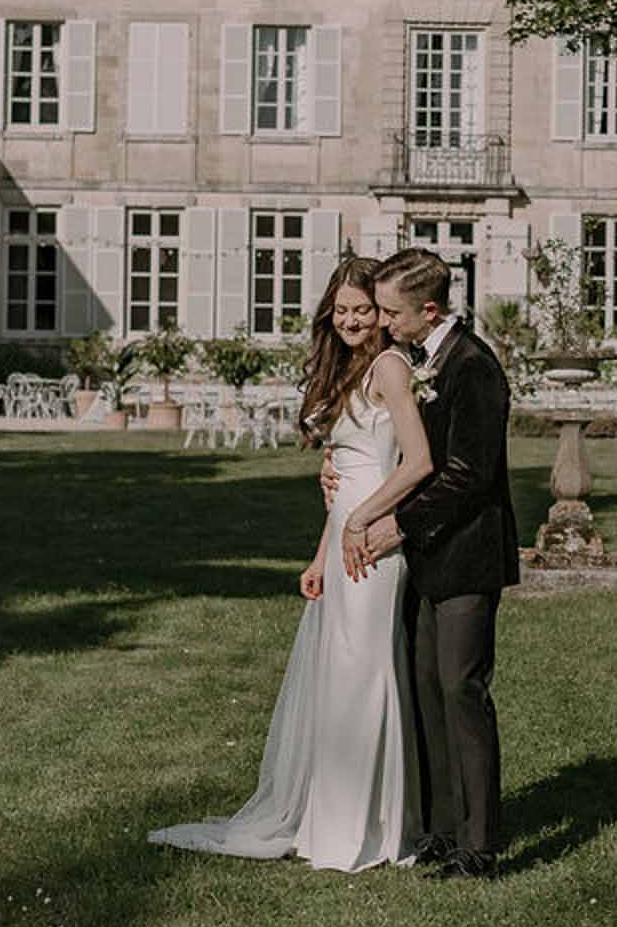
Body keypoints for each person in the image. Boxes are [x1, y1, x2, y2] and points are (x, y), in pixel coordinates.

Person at [148, 257, 434, 872]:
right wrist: (320, 553)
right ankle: (326, 819)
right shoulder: (350, 372)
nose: (354, 320)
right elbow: (347, 474)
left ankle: (365, 830)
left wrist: (361, 524)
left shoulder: (389, 367)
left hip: (375, 543)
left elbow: (416, 462)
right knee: (338, 680)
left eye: (364, 310)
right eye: (343, 310)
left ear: (382, 315)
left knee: (364, 677)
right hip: (342, 541)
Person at [341, 247, 518, 880]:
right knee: (427, 692)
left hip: (468, 555)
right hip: (427, 558)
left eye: (391, 312)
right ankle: (442, 829)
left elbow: (469, 477)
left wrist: (397, 525)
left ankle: (480, 846)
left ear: (430, 310)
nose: (383, 323)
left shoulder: (474, 369)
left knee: (462, 691)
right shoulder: (422, 360)